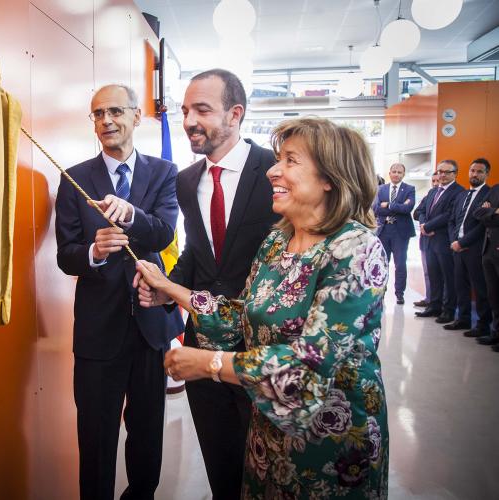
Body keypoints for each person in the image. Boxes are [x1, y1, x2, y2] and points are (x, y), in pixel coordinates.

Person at [135, 117, 389, 498]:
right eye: (277, 159)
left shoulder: (355, 249)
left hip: (332, 447)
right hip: (268, 436)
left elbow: (309, 363)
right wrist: (169, 288)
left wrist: (209, 363)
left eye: (290, 160)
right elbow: (240, 316)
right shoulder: (277, 242)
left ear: (329, 177)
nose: (273, 170)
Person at [55, 84, 183, 500]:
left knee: (147, 433)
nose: (106, 120)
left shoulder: (164, 172)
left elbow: (163, 233)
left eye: (114, 111)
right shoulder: (74, 178)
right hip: (98, 331)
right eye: (97, 114)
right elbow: (65, 255)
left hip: (150, 325)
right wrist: (92, 253)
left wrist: (131, 215)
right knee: (96, 438)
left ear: (136, 116)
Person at [164, 68, 277, 500]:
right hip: (201, 343)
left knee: (265, 470)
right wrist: (166, 287)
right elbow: (198, 251)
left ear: (235, 114)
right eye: (185, 111)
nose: (189, 121)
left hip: (261, 347)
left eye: (202, 110)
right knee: (221, 462)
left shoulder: (275, 172)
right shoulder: (186, 180)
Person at [414, 160, 465, 323]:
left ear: (455, 174)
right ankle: (434, 306)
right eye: (440, 171)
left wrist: (428, 226)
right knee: (434, 275)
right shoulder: (433, 191)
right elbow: (421, 211)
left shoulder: (459, 192)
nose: (442, 175)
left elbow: (450, 214)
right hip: (428, 240)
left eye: (446, 172)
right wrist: (423, 225)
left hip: (444, 240)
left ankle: (448, 311)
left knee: (448, 277)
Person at [447, 158, 491, 336]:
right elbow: (452, 220)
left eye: (480, 171)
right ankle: (463, 319)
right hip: (457, 248)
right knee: (460, 286)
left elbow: (483, 225)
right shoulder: (462, 195)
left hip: (475, 249)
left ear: (487, 174)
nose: (475, 174)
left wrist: (463, 243)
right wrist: (454, 241)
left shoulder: (489, 194)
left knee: (480, 288)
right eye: (473, 170)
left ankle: (483, 325)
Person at [373, 163, 415, 304]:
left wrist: (389, 205)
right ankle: (380, 292)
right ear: (389, 173)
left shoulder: (409, 189)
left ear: (403, 174)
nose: (396, 174)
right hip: (383, 231)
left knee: (400, 264)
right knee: (382, 264)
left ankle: (399, 293)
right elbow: (376, 209)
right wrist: (399, 207)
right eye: (394, 171)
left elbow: (407, 209)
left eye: (399, 172)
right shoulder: (381, 189)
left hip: (400, 233)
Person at [474, 161, 499, 350]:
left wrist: (489, 212)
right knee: (494, 294)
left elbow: (485, 214)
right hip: (489, 249)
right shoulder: (496, 189)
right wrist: (494, 212)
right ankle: (495, 333)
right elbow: (478, 212)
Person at [413, 172, 440, 307]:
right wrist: (424, 225)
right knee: (428, 272)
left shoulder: (450, 195)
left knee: (440, 274)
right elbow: (417, 213)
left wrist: (429, 226)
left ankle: (438, 302)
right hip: (425, 240)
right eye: (433, 181)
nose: (435, 184)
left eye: (437, 181)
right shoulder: (429, 194)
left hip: (439, 239)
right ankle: (429, 299)